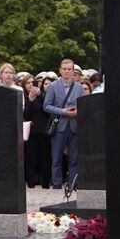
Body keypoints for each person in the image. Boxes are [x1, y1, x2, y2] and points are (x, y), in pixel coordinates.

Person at [44, 58, 84, 190]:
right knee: (56, 158)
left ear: (73, 71)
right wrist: (63, 111)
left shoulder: (79, 87)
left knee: (74, 158)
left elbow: (84, 105)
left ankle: (73, 184)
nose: (67, 71)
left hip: (74, 125)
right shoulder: (53, 86)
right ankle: (57, 184)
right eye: (64, 69)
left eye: (69, 69)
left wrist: (78, 111)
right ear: (60, 70)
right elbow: (46, 106)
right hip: (59, 125)